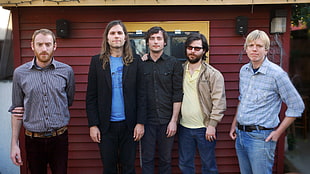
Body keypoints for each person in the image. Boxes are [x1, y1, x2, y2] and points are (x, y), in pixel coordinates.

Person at [229, 29, 305, 174]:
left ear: (266, 50)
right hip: (240, 135)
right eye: (250, 45)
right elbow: (242, 100)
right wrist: (234, 124)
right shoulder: (244, 71)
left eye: (259, 45)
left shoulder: (276, 74)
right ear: (246, 49)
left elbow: (297, 106)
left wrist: (278, 133)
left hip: (261, 138)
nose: (254, 49)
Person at [9, 28, 75, 174]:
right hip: (33, 140)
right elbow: (17, 110)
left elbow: (68, 100)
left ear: (55, 46)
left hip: (59, 139)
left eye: (48, 44)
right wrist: (14, 144)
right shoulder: (20, 73)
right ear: (32, 46)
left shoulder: (67, 71)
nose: (44, 49)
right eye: (39, 44)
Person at [86, 20, 146, 174]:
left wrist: (140, 122)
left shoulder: (135, 62)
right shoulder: (97, 62)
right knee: (109, 168)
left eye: (120, 33)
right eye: (112, 33)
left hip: (129, 125)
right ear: (107, 38)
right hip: (105, 127)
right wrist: (93, 125)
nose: (116, 36)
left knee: (129, 168)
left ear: (125, 37)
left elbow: (142, 95)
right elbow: (91, 96)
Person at [178, 33, 226, 174]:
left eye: (197, 48)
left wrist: (212, 125)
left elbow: (219, 102)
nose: (193, 51)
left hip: (204, 128)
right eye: (190, 47)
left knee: (208, 166)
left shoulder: (213, 74)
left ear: (204, 50)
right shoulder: (179, 71)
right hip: (184, 127)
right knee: (185, 165)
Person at [140, 26, 183, 174]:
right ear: (147, 42)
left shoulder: (174, 63)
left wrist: (173, 120)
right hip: (146, 121)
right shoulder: (140, 64)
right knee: (147, 159)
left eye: (159, 38)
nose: (155, 41)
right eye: (152, 38)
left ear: (165, 42)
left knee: (165, 160)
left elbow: (178, 93)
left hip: (166, 120)